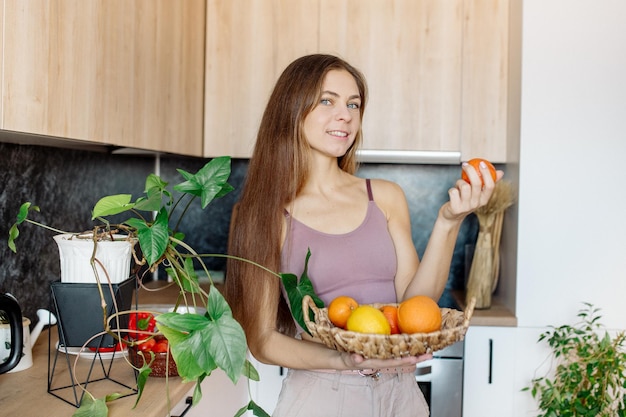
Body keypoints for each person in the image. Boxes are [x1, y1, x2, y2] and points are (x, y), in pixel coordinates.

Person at [225, 54, 503, 417]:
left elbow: (414, 305)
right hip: (323, 394)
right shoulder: (262, 214)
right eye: (328, 100)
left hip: (402, 395)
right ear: (292, 109)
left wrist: (449, 221)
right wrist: (344, 361)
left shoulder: (384, 196)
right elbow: (262, 340)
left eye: (353, 104)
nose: (346, 115)